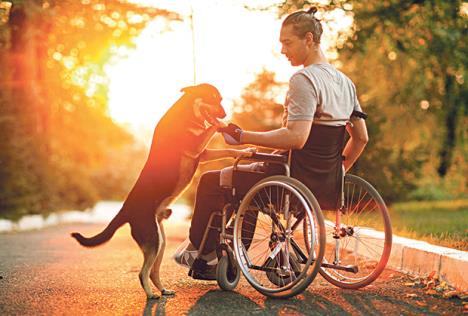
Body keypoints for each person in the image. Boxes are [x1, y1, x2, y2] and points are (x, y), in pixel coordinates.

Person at [174, 7, 369, 279]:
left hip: (289, 178)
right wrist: (337, 171)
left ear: (309, 39)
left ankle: (205, 255)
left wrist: (243, 137)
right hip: (321, 183)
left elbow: (296, 137)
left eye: (287, 43)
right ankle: (237, 249)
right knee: (250, 172)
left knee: (211, 181)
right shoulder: (346, 84)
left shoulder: (304, 79)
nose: (282, 50)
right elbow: (361, 138)